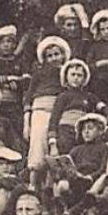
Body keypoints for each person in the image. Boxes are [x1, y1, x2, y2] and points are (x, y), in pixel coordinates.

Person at [24, 35, 71, 176]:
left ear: (63, 55)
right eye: (49, 56)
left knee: (57, 143)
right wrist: (26, 123)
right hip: (40, 109)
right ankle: (33, 181)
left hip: (60, 110)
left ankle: (53, 181)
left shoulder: (68, 73)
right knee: (38, 144)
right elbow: (28, 98)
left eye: (57, 54)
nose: (54, 58)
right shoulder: (39, 74)